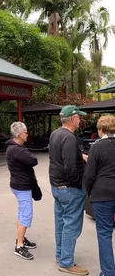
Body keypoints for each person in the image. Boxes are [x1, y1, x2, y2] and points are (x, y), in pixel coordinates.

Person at [49, 105, 88, 275]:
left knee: (61, 222)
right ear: (72, 119)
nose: (80, 119)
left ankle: (60, 254)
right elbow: (70, 167)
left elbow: (56, 156)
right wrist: (78, 184)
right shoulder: (70, 139)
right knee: (72, 225)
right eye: (79, 117)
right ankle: (66, 262)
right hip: (69, 188)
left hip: (56, 185)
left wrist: (80, 156)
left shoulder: (55, 134)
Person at [83, 115, 115, 276]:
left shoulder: (97, 147)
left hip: (102, 194)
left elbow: (89, 175)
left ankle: (109, 272)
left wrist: (89, 193)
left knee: (104, 234)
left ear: (101, 129)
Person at [5, 122, 38, 260]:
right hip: (21, 186)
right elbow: (33, 161)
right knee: (26, 215)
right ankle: (19, 246)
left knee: (21, 213)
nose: (27, 134)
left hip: (19, 184)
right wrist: (31, 157)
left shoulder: (16, 147)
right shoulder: (17, 150)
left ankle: (21, 238)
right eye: (25, 132)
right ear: (19, 135)